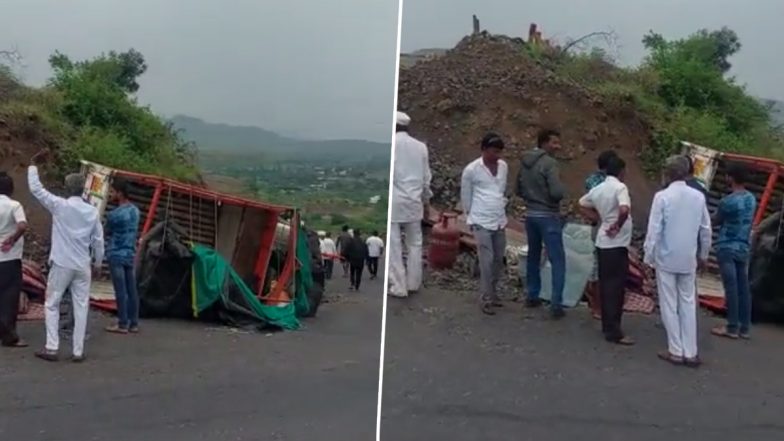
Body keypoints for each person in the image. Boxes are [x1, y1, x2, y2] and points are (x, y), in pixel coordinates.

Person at [28, 150, 104, 362]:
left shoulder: (59, 206)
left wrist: (33, 165)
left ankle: (52, 347)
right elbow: (98, 240)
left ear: (66, 188)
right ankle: (77, 351)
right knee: (81, 306)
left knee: (52, 303)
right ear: (82, 190)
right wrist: (98, 262)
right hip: (83, 265)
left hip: (62, 263)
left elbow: (36, 189)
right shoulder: (92, 212)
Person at [644, 155, 711, 368]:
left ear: (668, 173)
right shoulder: (698, 197)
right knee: (688, 303)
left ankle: (675, 350)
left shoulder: (662, 196)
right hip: (688, 258)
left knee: (668, 303)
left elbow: (653, 230)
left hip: (666, 257)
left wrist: (648, 256)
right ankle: (691, 352)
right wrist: (704, 256)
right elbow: (706, 230)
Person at [579, 155, 634, 345]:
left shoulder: (599, 188)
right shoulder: (620, 188)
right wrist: (617, 225)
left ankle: (607, 324)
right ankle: (614, 331)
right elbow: (625, 209)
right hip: (617, 243)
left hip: (602, 242)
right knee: (616, 287)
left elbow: (581, 204)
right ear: (621, 171)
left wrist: (598, 218)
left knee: (605, 283)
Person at [516, 128, 567, 318]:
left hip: (531, 215)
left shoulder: (525, 163)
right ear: (544, 143)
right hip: (549, 216)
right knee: (558, 260)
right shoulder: (550, 163)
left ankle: (532, 295)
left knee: (533, 256)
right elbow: (556, 192)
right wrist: (561, 191)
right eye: (554, 142)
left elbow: (517, 189)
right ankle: (556, 303)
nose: (558, 146)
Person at [461, 133, 509, 315]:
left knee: (498, 260)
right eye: (493, 151)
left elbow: (501, 191)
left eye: (499, 152)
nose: (497, 156)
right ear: (483, 150)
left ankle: (493, 293)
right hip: (480, 220)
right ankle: (485, 298)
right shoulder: (472, 170)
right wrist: (470, 219)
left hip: (499, 220)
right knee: (486, 261)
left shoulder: (503, 167)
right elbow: (466, 197)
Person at [711, 162, 756, 340]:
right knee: (743, 288)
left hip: (727, 246)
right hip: (743, 247)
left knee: (731, 287)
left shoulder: (727, 202)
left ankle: (731, 327)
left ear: (730, 177)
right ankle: (744, 328)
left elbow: (715, 221)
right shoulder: (751, 199)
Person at [389, 111, 432, 298]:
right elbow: (426, 178)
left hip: (395, 201)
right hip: (414, 202)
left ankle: (398, 286)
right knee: (415, 243)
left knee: (394, 243)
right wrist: (426, 202)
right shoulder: (421, 147)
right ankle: (413, 282)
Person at [584, 150, 619, 320]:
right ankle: (597, 305)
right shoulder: (606, 184)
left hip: (597, 225)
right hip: (604, 226)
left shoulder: (591, 180)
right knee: (602, 266)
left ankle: (596, 301)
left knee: (598, 263)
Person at [104, 178, 141, 335]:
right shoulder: (135, 211)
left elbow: (107, 231)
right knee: (131, 289)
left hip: (116, 253)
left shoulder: (114, 215)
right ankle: (134, 323)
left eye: (112, 191)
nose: (111, 194)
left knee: (120, 290)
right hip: (130, 253)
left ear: (120, 193)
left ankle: (122, 323)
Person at [0, 172, 28, 348]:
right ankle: (9, 337)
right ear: (11, 189)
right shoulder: (14, 205)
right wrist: (13, 238)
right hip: (9, 258)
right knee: (9, 298)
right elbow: (22, 225)